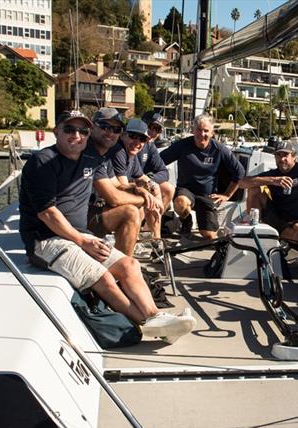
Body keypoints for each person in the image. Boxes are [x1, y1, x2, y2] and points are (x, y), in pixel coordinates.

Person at [18, 110, 196, 342]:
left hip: (80, 236)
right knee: (103, 277)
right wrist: (82, 241)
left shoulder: (91, 161)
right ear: (56, 131)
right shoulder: (42, 162)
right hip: (46, 240)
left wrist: (142, 188)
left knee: (129, 264)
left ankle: (156, 316)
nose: (77, 136)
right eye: (69, 129)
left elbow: (114, 186)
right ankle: (146, 323)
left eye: (82, 131)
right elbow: (47, 213)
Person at [159, 114, 246, 239]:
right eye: (199, 130)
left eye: (206, 131)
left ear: (212, 133)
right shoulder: (182, 145)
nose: (202, 134)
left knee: (209, 236)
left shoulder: (220, 149)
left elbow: (239, 172)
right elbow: (159, 162)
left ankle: (204, 224)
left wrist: (227, 195)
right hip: (186, 191)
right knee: (180, 203)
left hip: (207, 196)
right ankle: (186, 221)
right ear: (193, 130)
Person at [85, 108, 155, 256]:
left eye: (116, 129)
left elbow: (117, 185)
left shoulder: (104, 155)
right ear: (92, 126)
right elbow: (114, 198)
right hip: (80, 218)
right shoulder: (89, 153)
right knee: (130, 212)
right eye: (105, 126)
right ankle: (123, 265)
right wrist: (143, 199)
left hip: (91, 210)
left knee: (136, 206)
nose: (110, 133)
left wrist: (139, 190)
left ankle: (124, 256)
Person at [238, 140, 298, 243]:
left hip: (297, 221)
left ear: (294, 157)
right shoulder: (273, 174)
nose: (282, 159)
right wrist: (274, 180)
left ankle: (275, 236)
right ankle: (253, 230)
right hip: (275, 217)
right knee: (254, 188)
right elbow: (242, 183)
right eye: (278, 155)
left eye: (285, 155)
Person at [110, 118, 168, 244]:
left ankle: (156, 241)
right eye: (133, 136)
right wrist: (149, 197)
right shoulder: (119, 151)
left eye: (142, 139)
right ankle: (133, 241)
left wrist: (155, 189)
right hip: (105, 201)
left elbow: (142, 177)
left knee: (153, 191)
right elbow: (122, 187)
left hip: (117, 196)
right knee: (142, 204)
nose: (137, 142)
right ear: (123, 135)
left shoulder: (132, 154)